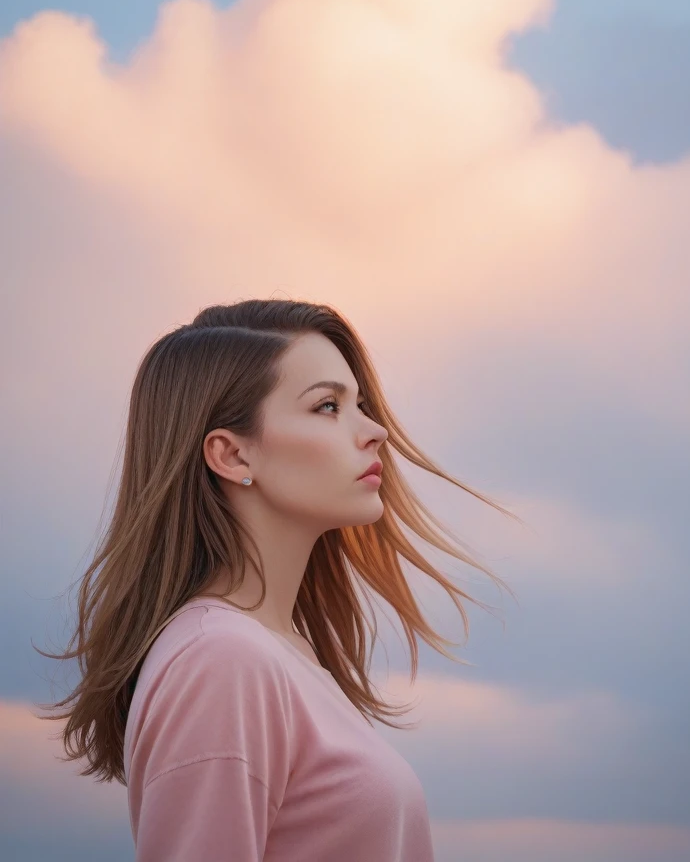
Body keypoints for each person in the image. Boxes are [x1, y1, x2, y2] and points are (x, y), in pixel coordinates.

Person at [33, 298, 520, 860]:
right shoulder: (220, 659)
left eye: (358, 404)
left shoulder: (276, 653)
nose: (375, 432)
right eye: (328, 407)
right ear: (232, 454)